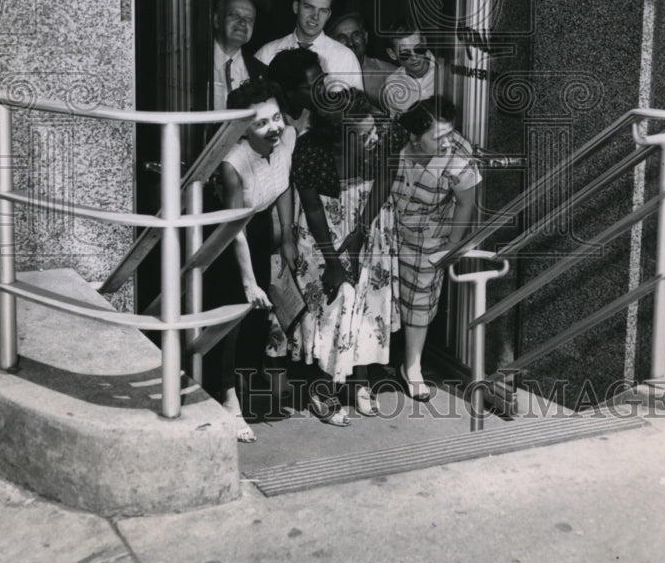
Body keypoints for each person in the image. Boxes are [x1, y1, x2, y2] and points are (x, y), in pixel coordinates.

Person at [267, 89, 400, 425]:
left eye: (372, 131)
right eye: (362, 135)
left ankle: (360, 378)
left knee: (368, 303)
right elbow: (312, 207)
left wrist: (360, 234)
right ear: (338, 136)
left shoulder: (380, 138)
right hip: (324, 231)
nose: (372, 139)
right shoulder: (311, 150)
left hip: (369, 221)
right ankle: (322, 388)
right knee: (337, 303)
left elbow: (385, 177)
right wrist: (334, 261)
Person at [205, 81, 297, 443]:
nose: (273, 127)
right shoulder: (234, 163)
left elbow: (284, 186)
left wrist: (286, 237)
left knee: (256, 316)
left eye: (276, 118)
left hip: (258, 227)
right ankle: (227, 396)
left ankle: (246, 380)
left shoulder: (286, 139)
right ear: (242, 128)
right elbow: (233, 228)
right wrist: (247, 280)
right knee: (230, 318)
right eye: (261, 123)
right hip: (225, 236)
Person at [389, 96, 479, 402]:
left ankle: (411, 367)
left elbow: (465, 203)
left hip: (429, 234)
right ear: (414, 136)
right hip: (385, 226)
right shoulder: (392, 143)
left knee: (419, 299)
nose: (447, 142)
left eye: (449, 133)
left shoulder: (458, 156)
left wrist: (451, 247)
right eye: (438, 136)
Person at [254, 0, 361, 90]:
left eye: (323, 10)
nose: (315, 16)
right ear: (296, 7)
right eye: (309, 7)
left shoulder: (345, 58)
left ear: (329, 15)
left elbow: (356, 100)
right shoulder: (267, 53)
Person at [379, 19, 458, 115]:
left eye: (418, 49)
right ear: (392, 54)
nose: (414, 57)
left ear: (424, 42)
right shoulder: (392, 85)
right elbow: (395, 121)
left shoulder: (448, 70)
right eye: (405, 53)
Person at [210, 0, 268, 111]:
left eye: (249, 19)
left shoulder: (262, 72)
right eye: (234, 15)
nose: (242, 22)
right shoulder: (191, 63)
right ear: (217, 20)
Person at [326, 11, 395, 107]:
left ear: (365, 37)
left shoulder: (389, 74)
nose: (350, 43)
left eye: (356, 35)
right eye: (342, 37)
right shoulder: (321, 77)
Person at [266, 47, 324, 135]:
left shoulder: (322, 116)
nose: (322, 90)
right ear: (289, 91)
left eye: (321, 82)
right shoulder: (268, 124)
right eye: (311, 88)